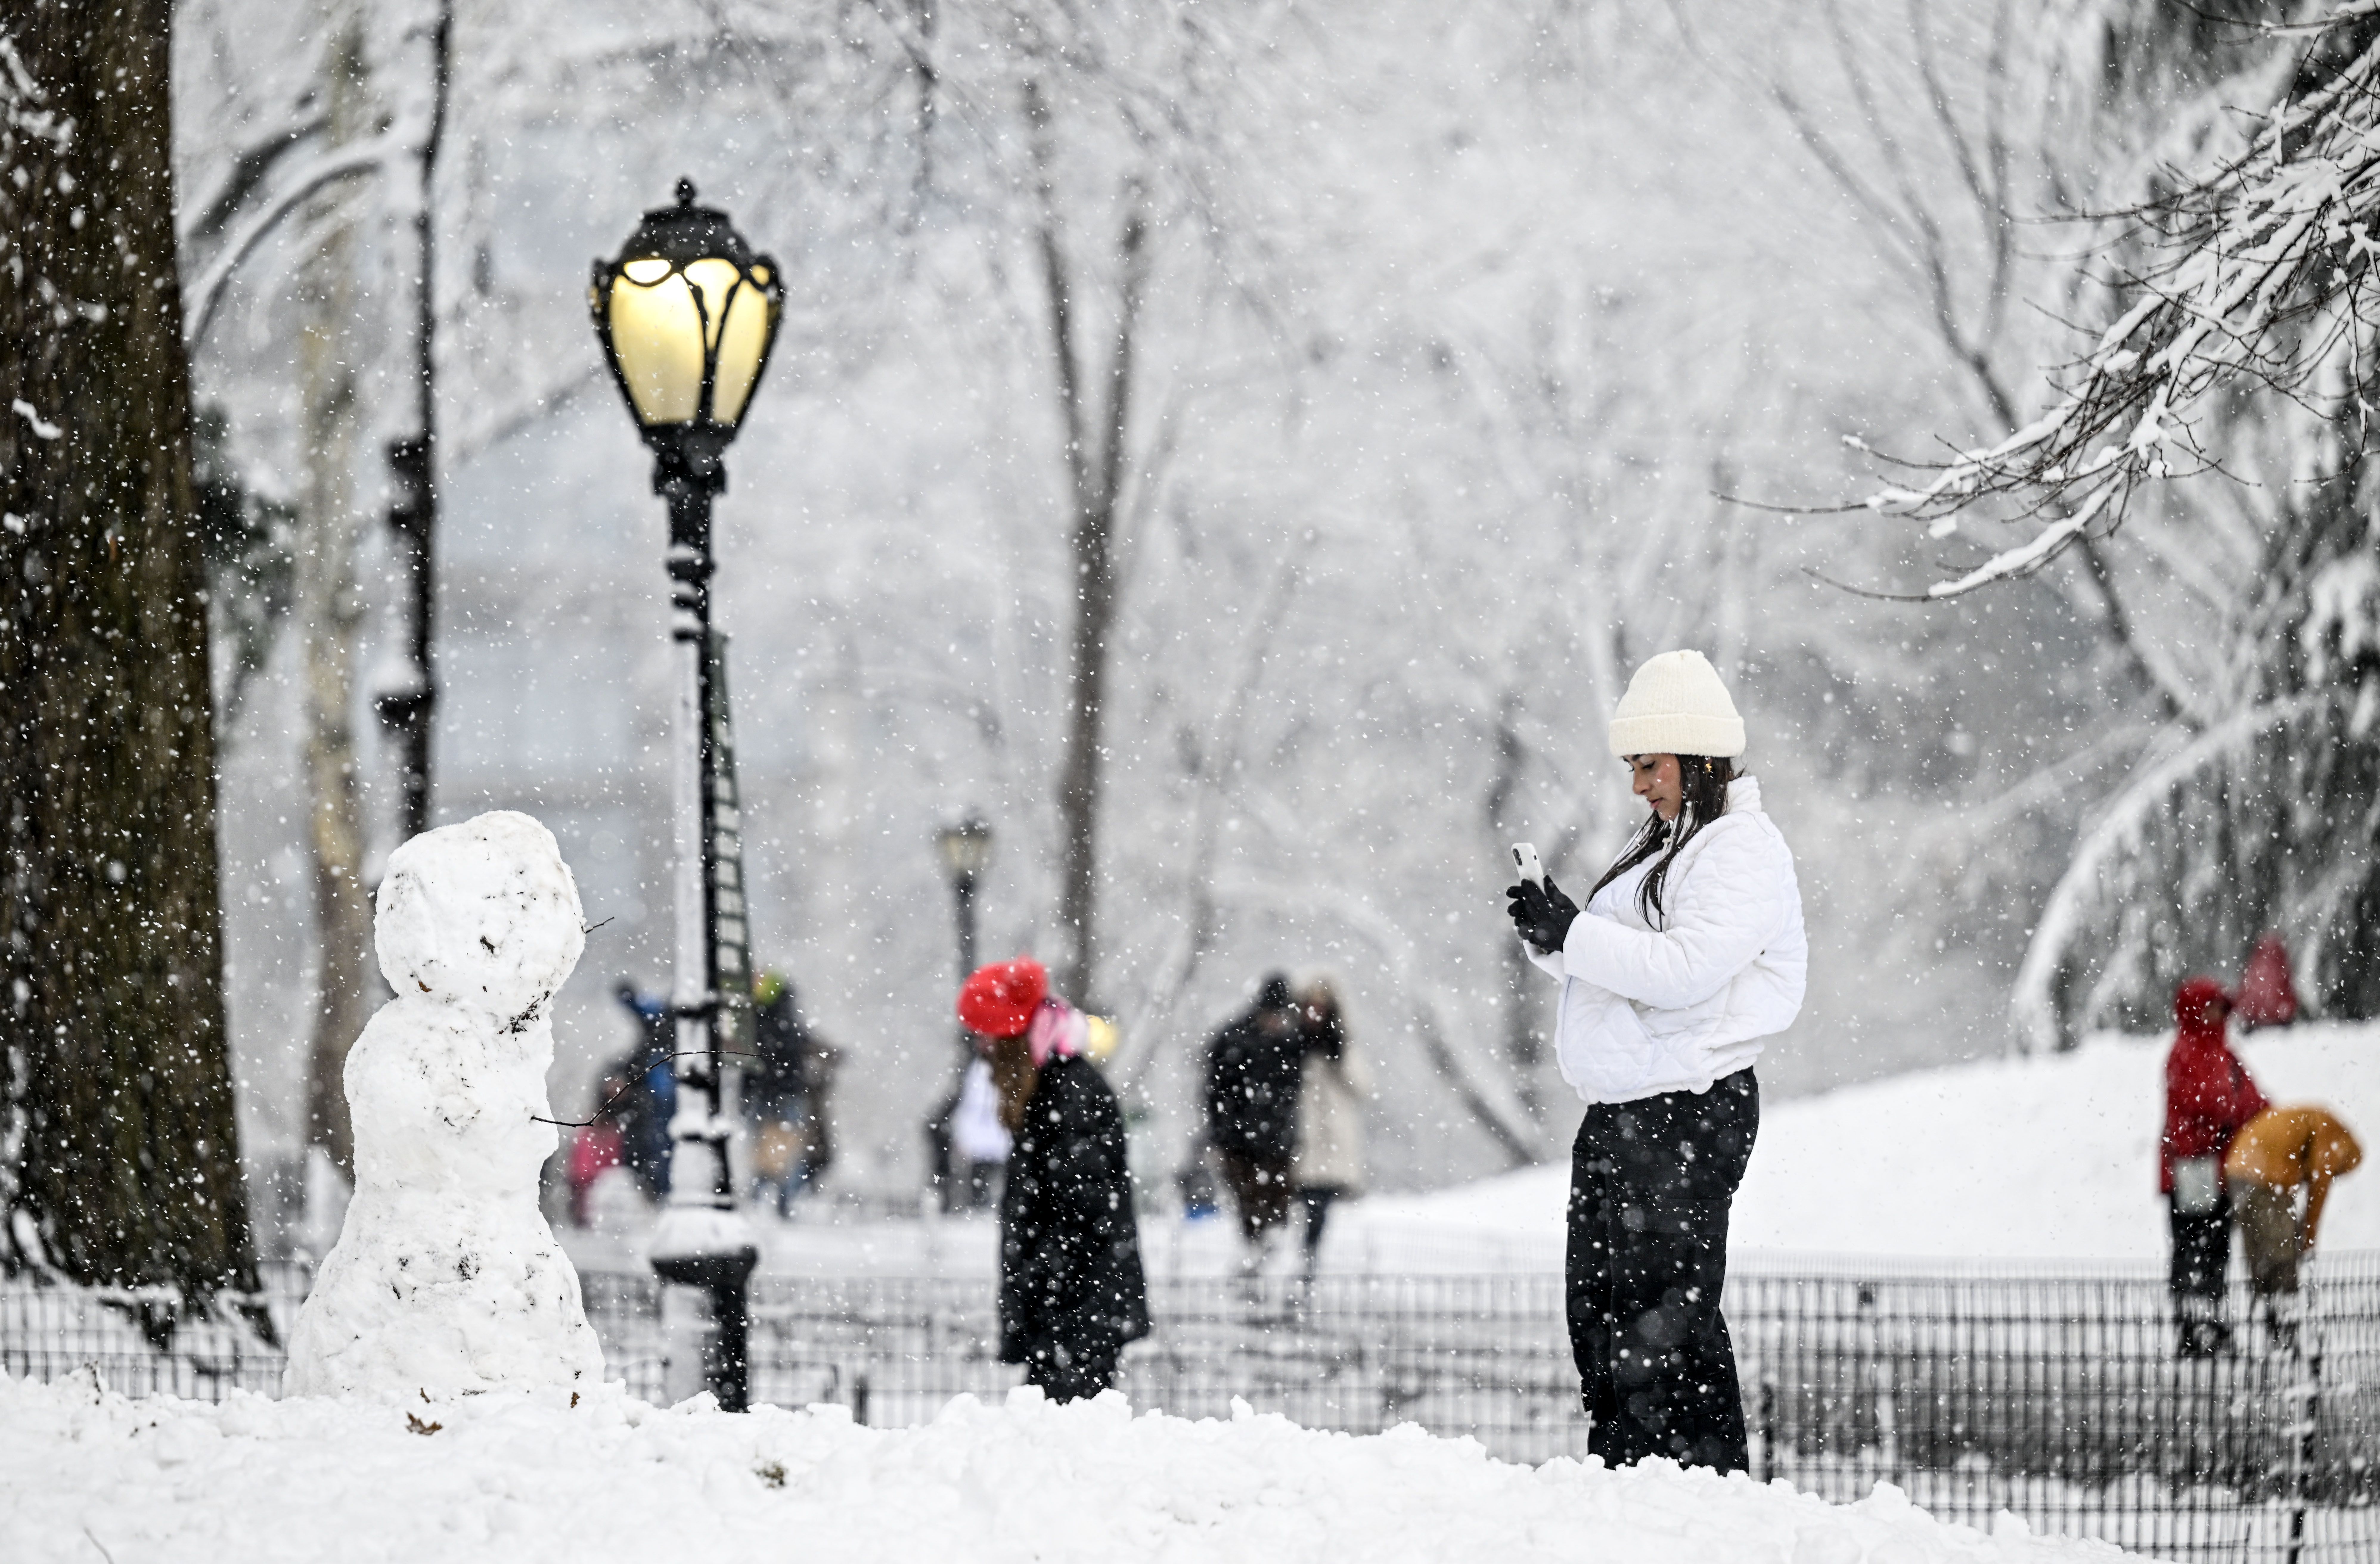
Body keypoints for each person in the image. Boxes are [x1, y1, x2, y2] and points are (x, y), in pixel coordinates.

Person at [1506, 648, 1806, 1475]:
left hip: (1685, 1111)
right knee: (1602, 1316)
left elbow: (1685, 973)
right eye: (1633, 767)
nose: (1638, 783)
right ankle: (1633, 1483)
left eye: (1649, 764)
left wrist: (1575, 934)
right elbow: (1630, 964)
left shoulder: (1740, 850)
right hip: (1629, 1114)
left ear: (1699, 756)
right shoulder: (1673, 842)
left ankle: (1685, 1497)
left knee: (1660, 1331)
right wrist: (1554, 941)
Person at [958, 956, 1150, 1403]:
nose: (982, 1050)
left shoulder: (1068, 1095)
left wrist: (1038, 1282)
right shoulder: (1055, 1089)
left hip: (1075, 1314)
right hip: (1068, 1313)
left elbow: (1079, 1215)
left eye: (987, 1038)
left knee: (1062, 1442)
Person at [2162, 976, 2266, 1357]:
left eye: (2221, 1007)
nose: (2218, 1014)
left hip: (2217, 1170)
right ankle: (2195, 1327)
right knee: (2194, 1247)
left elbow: (2250, 1099)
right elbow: (2209, 1103)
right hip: (2192, 1170)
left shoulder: (2225, 1053)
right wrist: (2239, 1112)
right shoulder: (2186, 1052)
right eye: (2212, 1007)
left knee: (2215, 1249)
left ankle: (2212, 1325)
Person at [2225, 1103, 2362, 1345]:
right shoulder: (2333, 1135)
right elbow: (2320, 1184)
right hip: (2265, 1174)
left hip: (2240, 1167)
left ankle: (2268, 1321)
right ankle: (2285, 1328)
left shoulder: (2315, 1120)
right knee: (2282, 1255)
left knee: (2261, 1256)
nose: (2335, 1175)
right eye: (2340, 1172)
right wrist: (2309, 1236)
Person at [1203, 973, 1307, 1275]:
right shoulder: (1234, 1040)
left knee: (1277, 1206)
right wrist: (1223, 1134)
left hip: (1277, 1142)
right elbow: (1215, 1092)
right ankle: (1255, 1255)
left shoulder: (1289, 1044)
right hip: (1241, 1142)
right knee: (1248, 1203)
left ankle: (1267, 1257)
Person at [1290, 978, 1368, 1280]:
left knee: (1318, 1206)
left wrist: (1339, 1055)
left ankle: (1309, 1263)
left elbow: (1363, 1085)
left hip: (1332, 1143)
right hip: (1300, 1138)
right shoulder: (1293, 1044)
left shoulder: (1342, 1045)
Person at [744, 972, 817, 1216]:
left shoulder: (760, 1020)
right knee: (786, 1150)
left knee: (768, 1150)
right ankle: (782, 1203)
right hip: (786, 1091)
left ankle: (766, 1200)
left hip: (770, 1092)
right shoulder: (788, 1020)